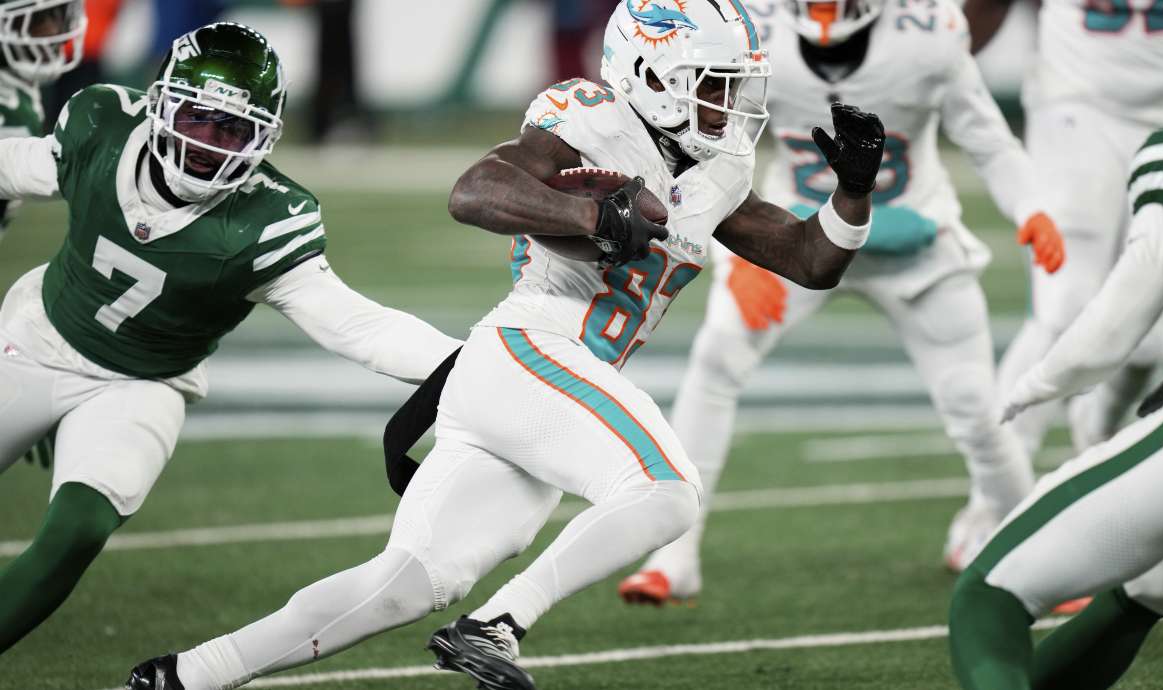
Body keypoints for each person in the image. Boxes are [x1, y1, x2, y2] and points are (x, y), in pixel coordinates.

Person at [124, 3, 885, 689]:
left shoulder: (718, 169)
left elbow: (809, 260)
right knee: (666, 488)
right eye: (714, 85)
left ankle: (183, 677)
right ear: (652, 74)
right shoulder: (588, 117)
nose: (729, 105)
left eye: (734, 86)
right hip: (531, 346)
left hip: (543, 386)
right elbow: (474, 191)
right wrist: (592, 218)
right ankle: (498, 624)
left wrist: (852, 193)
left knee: (405, 583)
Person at [0, 22, 461, 656]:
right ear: (162, 104)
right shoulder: (101, 126)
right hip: (36, 338)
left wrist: (470, 365)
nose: (210, 145)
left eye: (233, 130)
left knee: (78, 529)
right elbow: (16, 165)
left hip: (139, 386)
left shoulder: (267, 221)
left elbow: (359, 326)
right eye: (198, 119)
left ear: (263, 138)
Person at [619, 0, 1063, 606]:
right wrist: (736, 254)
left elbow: (988, 139)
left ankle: (1038, 556)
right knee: (717, 358)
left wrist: (1032, 207)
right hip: (795, 233)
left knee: (973, 404)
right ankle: (675, 555)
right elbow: (712, 148)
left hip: (915, 242)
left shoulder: (929, 33)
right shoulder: (755, 32)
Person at [949, 3, 1163, 687]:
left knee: (988, 601)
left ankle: (1100, 461)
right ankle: (992, 499)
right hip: (1081, 100)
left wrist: (1041, 382)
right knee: (1152, 587)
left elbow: (1123, 311)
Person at [966, 0, 1163, 459]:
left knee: (1149, 343)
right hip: (1076, 102)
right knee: (1065, 304)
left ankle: (1096, 436)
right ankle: (993, 490)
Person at [0, 0, 86, 245]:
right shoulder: (13, 107)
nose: (51, 31)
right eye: (38, 20)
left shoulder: (15, 103)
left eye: (55, 16)